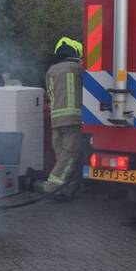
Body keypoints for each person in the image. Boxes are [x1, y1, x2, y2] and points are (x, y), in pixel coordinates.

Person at [36, 37, 84, 199]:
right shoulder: (77, 67)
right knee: (69, 156)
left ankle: (66, 190)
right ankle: (51, 188)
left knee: (62, 156)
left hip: (56, 121)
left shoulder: (50, 71)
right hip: (73, 120)